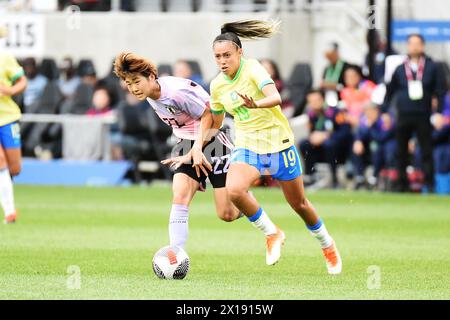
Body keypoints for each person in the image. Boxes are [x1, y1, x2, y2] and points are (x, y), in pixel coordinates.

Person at [207, 20, 342, 274]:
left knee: (299, 204)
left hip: (278, 144)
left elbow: (276, 97)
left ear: (239, 52)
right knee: (235, 191)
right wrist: (200, 142)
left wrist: (255, 104)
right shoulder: (217, 85)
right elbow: (215, 117)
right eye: (217, 57)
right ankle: (272, 233)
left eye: (227, 55)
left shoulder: (253, 69)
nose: (222, 61)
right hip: (248, 143)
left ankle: (327, 244)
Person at [113, 52, 274, 252]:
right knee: (180, 195)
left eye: (136, 81)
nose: (133, 88)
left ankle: (242, 196)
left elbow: (210, 114)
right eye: (129, 84)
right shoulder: (149, 93)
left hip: (213, 140)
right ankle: (175, 254)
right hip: (186, 143)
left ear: (152, 77)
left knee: (227, 214)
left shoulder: (175, 93)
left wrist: (198, 148)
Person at [381, 34, 447, 193]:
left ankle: (429, 185)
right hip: (403, 114)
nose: (415, 47)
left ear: (423, 46)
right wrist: (385, 112)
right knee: (401, 151)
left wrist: (438, 113)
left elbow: (440, 91)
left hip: (423, 114)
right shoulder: (400, 68)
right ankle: (401, 184)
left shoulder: (433, 67)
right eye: (411, 44)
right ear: (407, 46)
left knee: (426, 151)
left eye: (418, 44)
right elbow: (389, 92)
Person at [299, 89, 352, 188]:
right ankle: (310, 175)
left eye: (317, 100)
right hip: (321, 149)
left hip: (339, 149)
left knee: (329, 144)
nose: (314, 104)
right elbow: (313, 132)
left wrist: (326, 136)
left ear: (323, 99)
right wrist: (313, 137)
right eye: (311, 102)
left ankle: (334, 178)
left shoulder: (335, 112)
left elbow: (345, 132)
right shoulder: (311, 115)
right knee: (304, 143)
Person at [0, 49, 28, 224]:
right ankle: (9, 211)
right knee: (0, 161)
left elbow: (22, 82)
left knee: (14, 168)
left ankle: (6, 194)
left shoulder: (4, 58)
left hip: (8, 117)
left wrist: (9, 90)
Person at [352, 103, 396, 189]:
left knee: (379, 149)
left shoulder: (384, 120)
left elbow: (382, 137)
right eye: (366, 113)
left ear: (376, 111)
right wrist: (358, 141)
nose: (368, 115)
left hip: (385, 148)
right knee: (357, 148)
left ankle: (376, 177)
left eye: (370, 112)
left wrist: (371, 127)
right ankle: (359, 177)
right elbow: (360, 134)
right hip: (369, 148)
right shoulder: (365, 121)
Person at [320, 42, 351, 107]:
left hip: (342, 101)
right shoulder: (327, 68)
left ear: (337, 53)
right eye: (328, 57)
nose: (330, 59)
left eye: (331, 56)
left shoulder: (346, 67)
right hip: (328, 99)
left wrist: (336, 86)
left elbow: (350, 86)